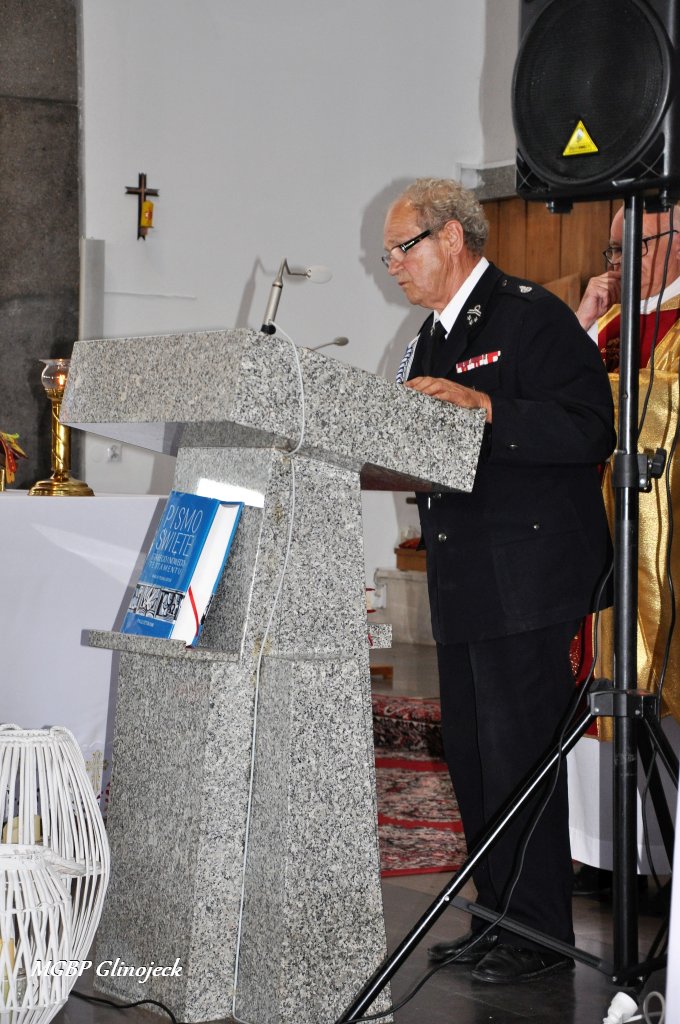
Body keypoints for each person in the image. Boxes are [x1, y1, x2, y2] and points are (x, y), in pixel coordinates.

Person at [383, 178, 615, 984]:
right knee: (476, 761)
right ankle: (498, 918)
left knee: (520, 758)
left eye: (402, 248)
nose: (392, 266)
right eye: (388, 254)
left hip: (529, 577)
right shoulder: (425, 340)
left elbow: (590, 429)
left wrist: (484, 407)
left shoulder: (530, 316)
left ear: (451, 237)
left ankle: (539, 935)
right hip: (466, 579)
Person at [571, 205, 680, 897]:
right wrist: (581, 326)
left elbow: (657, 408)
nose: (617, 265)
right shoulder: (608, 323)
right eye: (613, 252)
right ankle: (601, 855)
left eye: (630, 248)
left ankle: (656, 861)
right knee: (589, 681)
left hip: (659, 548)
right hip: (592, 538)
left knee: (648, 680)